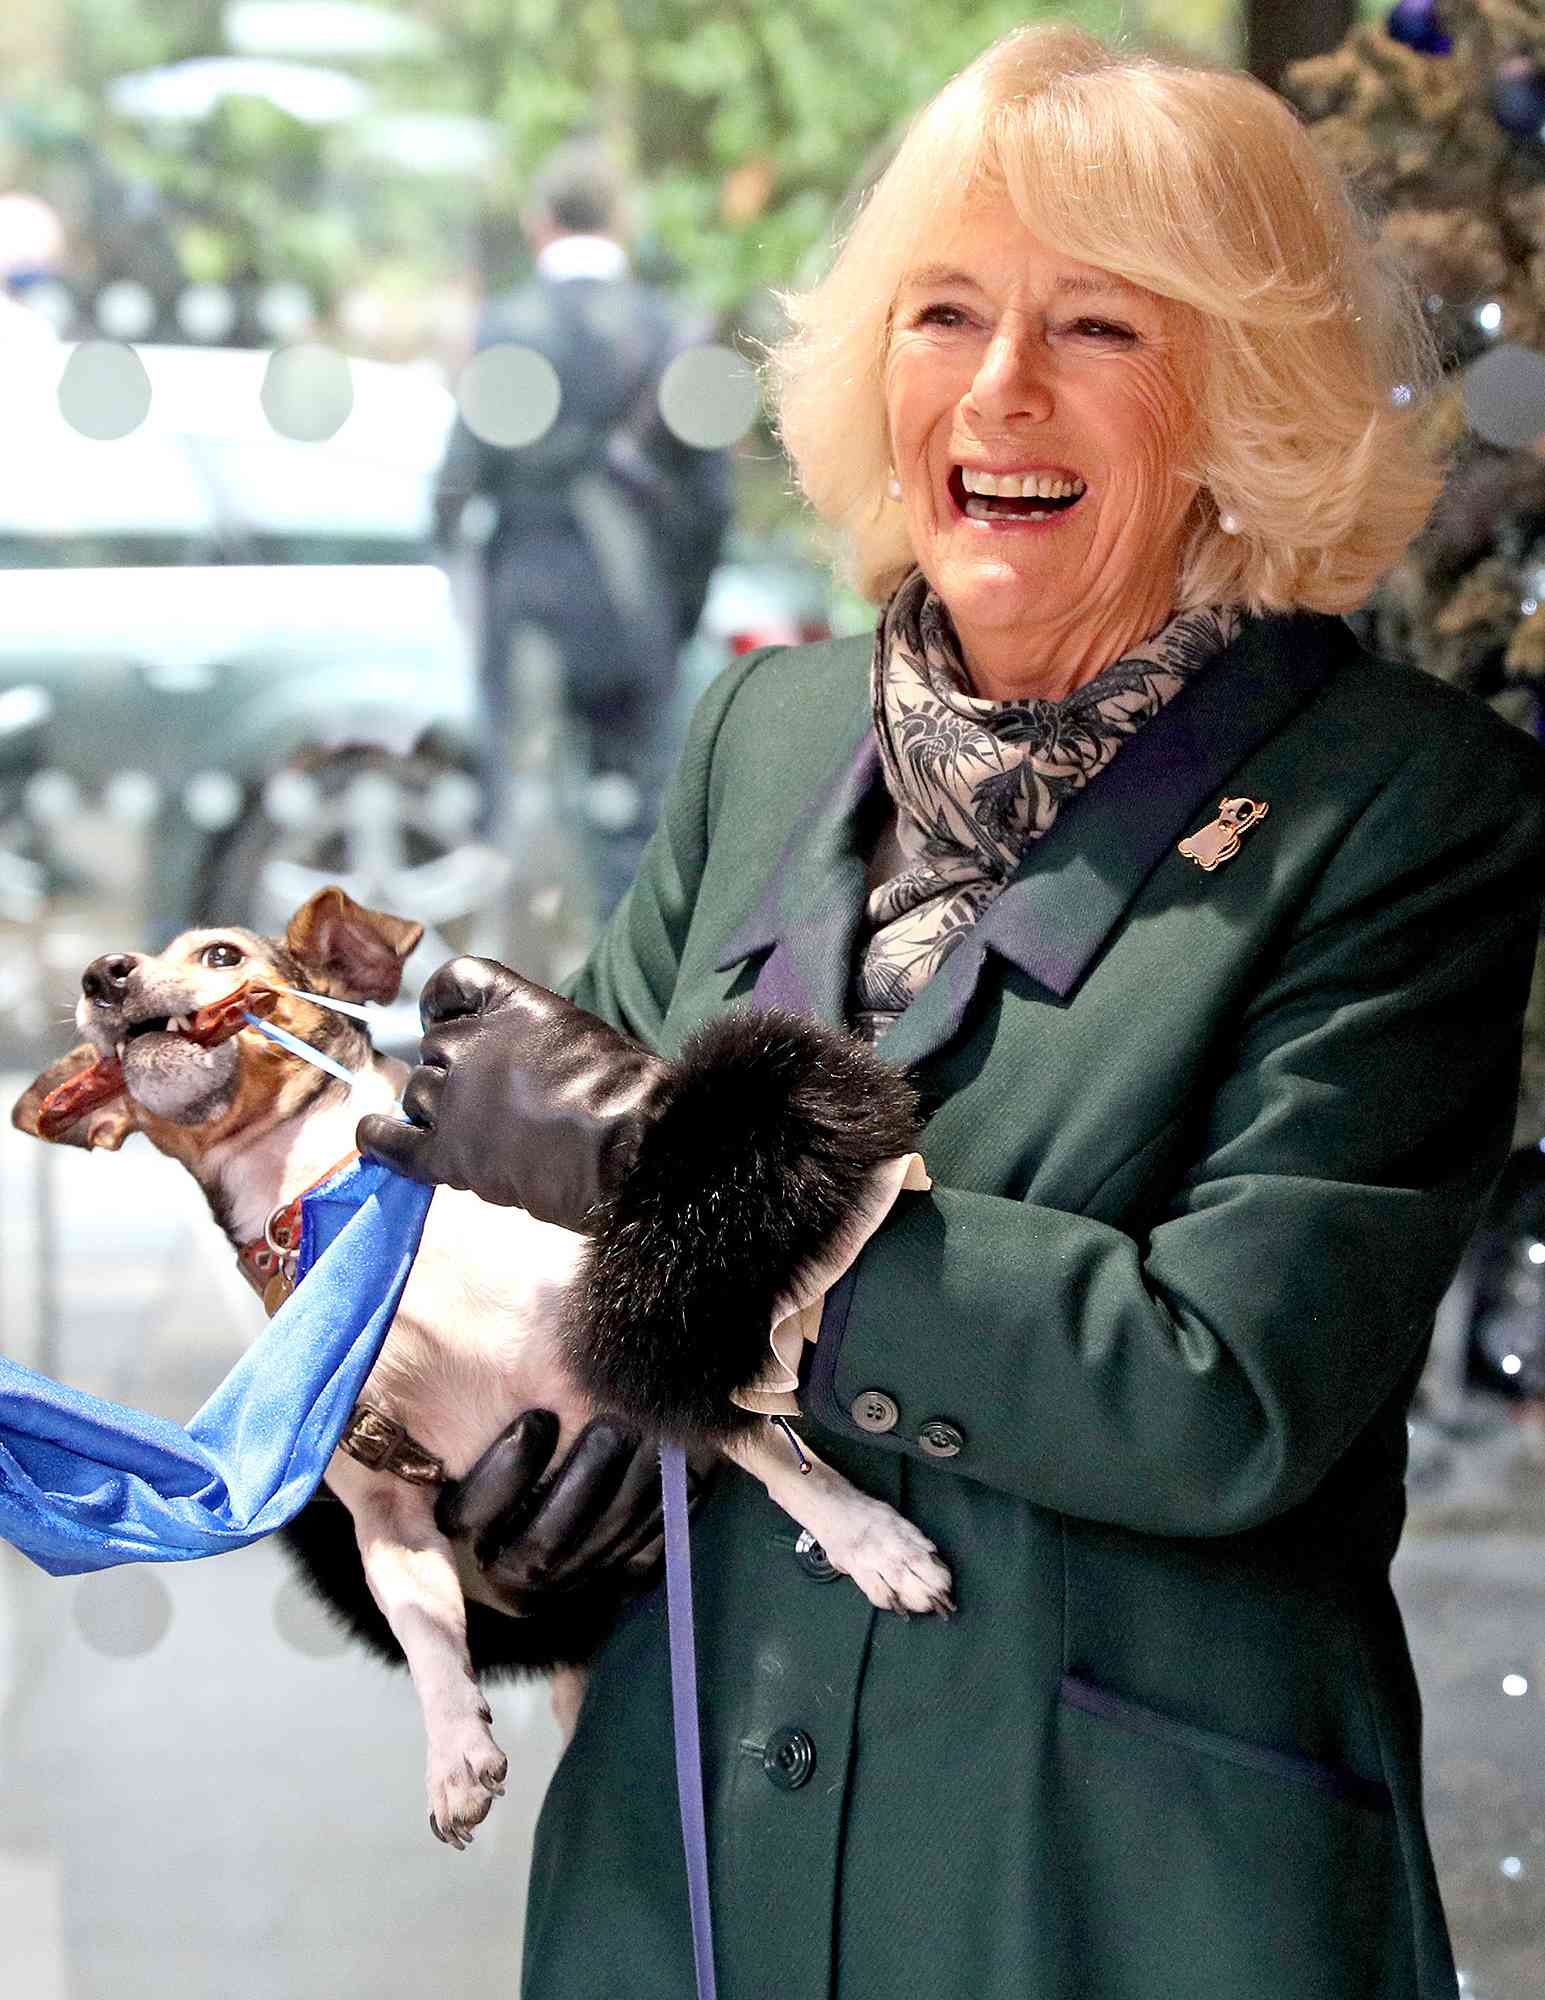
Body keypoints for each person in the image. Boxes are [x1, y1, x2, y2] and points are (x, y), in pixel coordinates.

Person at [360, 25, 1545, 2000]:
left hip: (1110, 1888)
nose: (997, 386)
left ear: (1238, 394)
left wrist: (720, 1218)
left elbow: (1215, 1392)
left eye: (1094, 325)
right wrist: (385, 1344)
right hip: (691, 1866)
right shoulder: (767, 729)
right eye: (942, 312)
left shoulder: (1399, 809)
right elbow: (564, 1251)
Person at [436, 138, 735, 913]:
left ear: (541, 225)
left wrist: (472, 600)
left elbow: (455, 483)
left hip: (527, 606)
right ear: (621, 222)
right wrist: (681, 612)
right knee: (635, 838)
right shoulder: (670, 329)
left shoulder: (503, 325)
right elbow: (712, 498)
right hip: (634, 608)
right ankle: (624, 1013)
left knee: (520, 825)